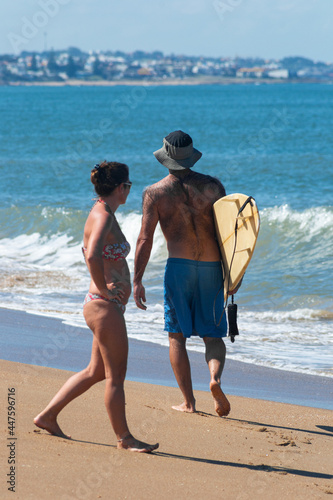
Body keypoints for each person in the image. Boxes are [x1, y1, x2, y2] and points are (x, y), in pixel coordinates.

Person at [34, 161, 159, 453]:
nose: (129, 190)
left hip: (101, 306)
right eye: (128, 185)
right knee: (116, 376)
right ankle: (125, 439)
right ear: (121, 188)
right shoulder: (102, 215)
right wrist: (104, 290)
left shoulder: (102, 211)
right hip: (103, 306)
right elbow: (92, 256)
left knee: (96, 372)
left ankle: (47, 416)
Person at [134, 131, 237, 417]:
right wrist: (233, 275)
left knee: (176, 336)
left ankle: (189, 403)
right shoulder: (213, 187)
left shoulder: (155, 193)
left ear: (166, 156)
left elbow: (145, 239)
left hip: (179, 267)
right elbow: (229, 234)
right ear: (191, 156)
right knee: (213, 337)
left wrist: (137, 280)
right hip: (212, 267)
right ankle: (214, 379)